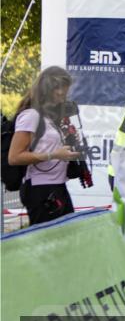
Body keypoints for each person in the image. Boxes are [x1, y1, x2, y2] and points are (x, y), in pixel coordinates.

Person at [7, 67, 82, 226]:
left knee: (66, 239)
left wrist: (68, 145)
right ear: (48, 90)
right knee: (47, 244)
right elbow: (14, 157)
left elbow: (47, 146)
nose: (64, 96)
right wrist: (53, 155)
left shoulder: (49, 116)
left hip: (57, 185)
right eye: (61, 91)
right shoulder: (31, 116)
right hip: (40, 189)